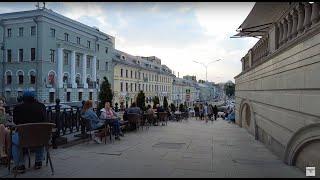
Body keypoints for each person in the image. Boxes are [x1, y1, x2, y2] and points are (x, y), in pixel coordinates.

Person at [11, 90, 47, 173]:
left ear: (23, 98)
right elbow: (45, 120)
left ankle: (20, 165)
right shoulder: (42, 106)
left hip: (24, 139)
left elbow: (16, 122)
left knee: (14, 141)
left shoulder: (18, 108)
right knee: (39, 136)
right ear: (34, 98)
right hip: (40, 139)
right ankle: (38, 162)